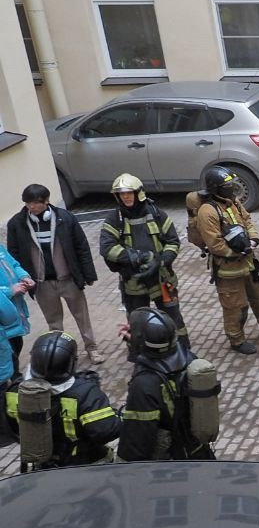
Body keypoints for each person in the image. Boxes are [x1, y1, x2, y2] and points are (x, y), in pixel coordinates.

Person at [195, 167, 259, 355]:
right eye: (227, 186)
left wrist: (253, 238)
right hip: (228, 269)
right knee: (235, 306)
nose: (232, 188)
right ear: (216, 188)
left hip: (248, 262)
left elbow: (247, 221)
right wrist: (237, 252)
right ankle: (237, 340)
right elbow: (215, 244)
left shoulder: (232, 202)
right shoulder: (207, 211)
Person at [7, 184, 102, 364]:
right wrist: (22, 278)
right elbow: (14, 254)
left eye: (36, 203)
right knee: (54, 323)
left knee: (82, 317)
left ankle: (92, 348)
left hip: (69, 280)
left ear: (46, 201)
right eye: (28, 203)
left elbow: (81, 246)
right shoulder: (17, 224)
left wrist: (88, 274)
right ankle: (59, 355)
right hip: (42, 283)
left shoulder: (65, 218)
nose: (31, 207)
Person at [6, 330, 119, 468]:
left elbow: (12, 428)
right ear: (72, 363)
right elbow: (106, 431)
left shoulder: (14, 392)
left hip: (43, 466)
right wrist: (119, 416)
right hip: (87, 465)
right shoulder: (86, 394)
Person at [99, 173, 188, 347]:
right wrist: (139, 258)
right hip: (134, 283)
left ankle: (183, 351)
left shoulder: (157, 214)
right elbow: (107, 248)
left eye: (129, 193)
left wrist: (160, 261)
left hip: (163, 279)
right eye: (121, 194)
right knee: (136, 322)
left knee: (174, 319)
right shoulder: (114, 219)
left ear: (138, 193)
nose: (125, 197)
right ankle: (139, 356)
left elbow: (172, 242)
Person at [116, 307, 211, 462]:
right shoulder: (189, 358)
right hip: (197, 450)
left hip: (170, 463)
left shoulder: (144, 385)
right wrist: (136, 341)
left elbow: (137, 442)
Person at [0, 243, 34, 378]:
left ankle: (14, 380)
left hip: (14, 312)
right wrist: (10, 290)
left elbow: (14, 265)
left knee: (16, 345)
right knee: (8, 356)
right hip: (3, 319)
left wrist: (24, 277)